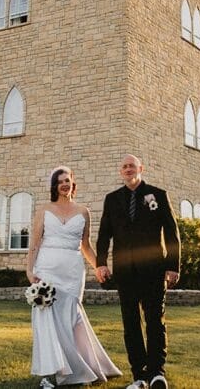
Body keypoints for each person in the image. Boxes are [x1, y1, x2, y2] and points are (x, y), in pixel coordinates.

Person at [27, 166, 121, 387]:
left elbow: (85, 246)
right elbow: (34, 244)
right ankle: (48, 375)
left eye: (67, 180)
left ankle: (78, 367)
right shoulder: (44, 210)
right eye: (60, 181)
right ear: (54, 186)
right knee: (46, 320)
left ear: (73, 183)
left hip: (72, 271)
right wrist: (30, 270)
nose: (64, 184)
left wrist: (99, 266)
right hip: (46, 269)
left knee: (71, 319)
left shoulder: (83, 211)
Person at [95, 155, 180, 389]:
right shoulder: (111, 199)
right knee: (130, 324)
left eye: (132, 165)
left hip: (154, 270)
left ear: (141, 168)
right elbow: (104, 234)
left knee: (155, 321)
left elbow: (172, 232)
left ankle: (156, 374)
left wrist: (173, 265)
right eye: (124, 166)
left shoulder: (158, 195)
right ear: (120, 172)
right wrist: (100, 263)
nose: (128, 169)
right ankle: (139, 376)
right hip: (125, 272)